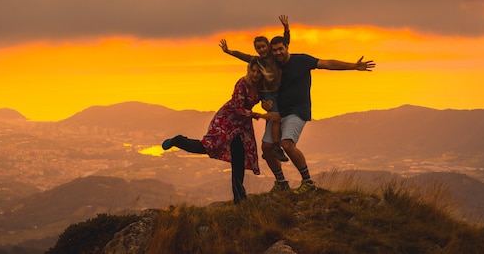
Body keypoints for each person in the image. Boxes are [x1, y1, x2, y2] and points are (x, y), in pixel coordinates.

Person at [263, 32, 376, 194]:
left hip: (297, 111)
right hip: (278, 113)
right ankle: (281, 182)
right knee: (267, 147)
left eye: (280, 49)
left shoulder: (301, 60)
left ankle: (308, 182)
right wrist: (264, 102)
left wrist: (353, 66)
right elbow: (263, 87)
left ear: (287, 47)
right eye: (274, 50)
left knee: (287, 144)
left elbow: (327, 63)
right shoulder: (271, 66)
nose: (278, 53)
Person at [161, 58, 279, 204]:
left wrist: (266, 104)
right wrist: (260, 115)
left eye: (258, 71)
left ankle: (239, 198)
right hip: (227, 119)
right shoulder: (242, 84)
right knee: (208, 146)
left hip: (242, 125)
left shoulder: (262, 86)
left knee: (239, 158)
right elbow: (237, 108)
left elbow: (264, 99)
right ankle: (178, 141)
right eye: (252, 70)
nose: (255, 74)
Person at [220, 15, 290, 163]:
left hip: (278, 91)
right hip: (267, 93)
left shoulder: (273, 57)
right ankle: (276, 147)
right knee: (276, 118)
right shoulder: (256, 61)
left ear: (268, 47)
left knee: (276, 118)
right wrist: (229, 51)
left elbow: (286, 43)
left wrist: (286, 28)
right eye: (258, 48)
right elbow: (243, 56)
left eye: (263, 46)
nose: (261, 49)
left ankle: (268, 148)